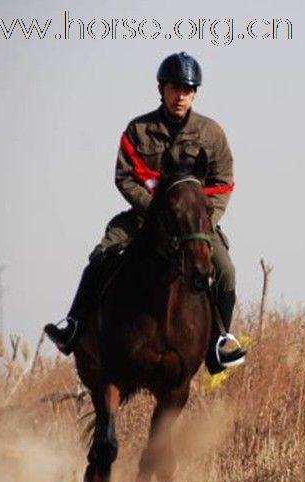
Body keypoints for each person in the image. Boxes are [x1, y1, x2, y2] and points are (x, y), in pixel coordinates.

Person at [44, 52, 245, 372]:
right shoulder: (138, 130)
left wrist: (203, 220)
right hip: (141, 219)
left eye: (188, 90)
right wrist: (157, 213)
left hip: (194, 225)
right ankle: (74, 325)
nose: (181, 96)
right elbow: (124, 177)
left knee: (225, 270)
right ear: (161, 89)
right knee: (101, 256)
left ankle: (220, 341)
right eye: (175, 88)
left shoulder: (212, 134)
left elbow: (223, 184)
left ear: (195, 93)